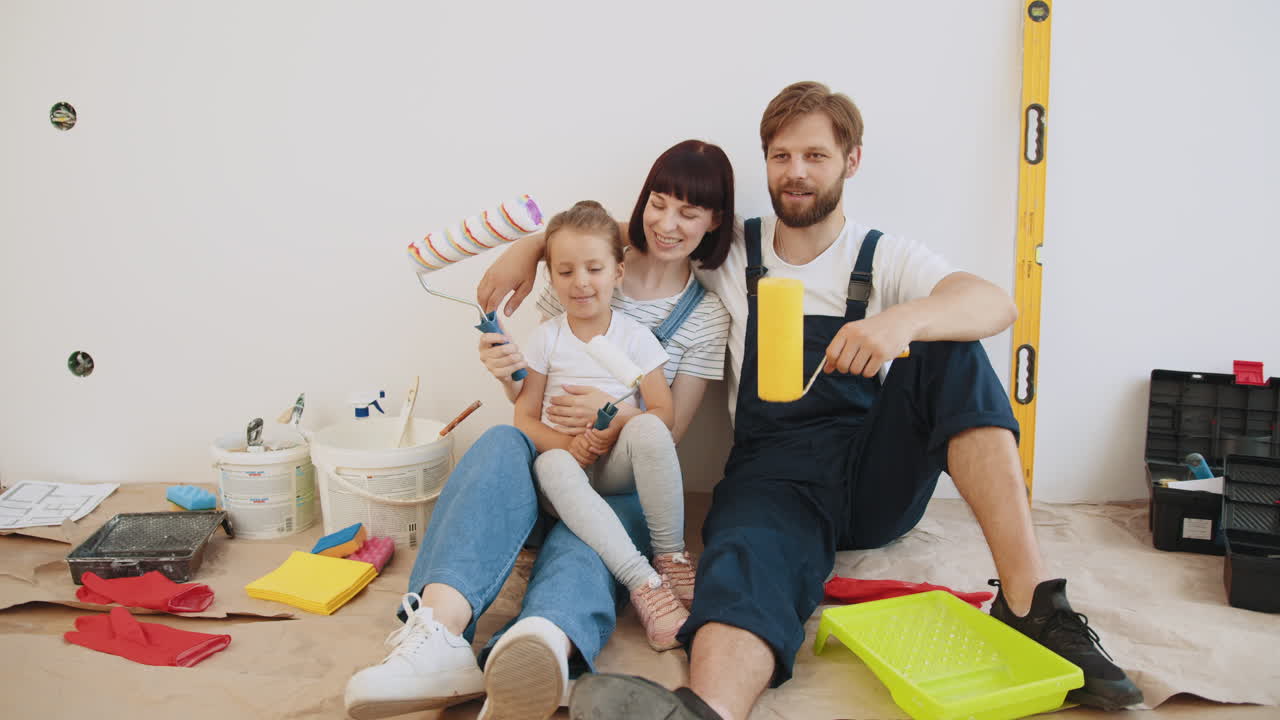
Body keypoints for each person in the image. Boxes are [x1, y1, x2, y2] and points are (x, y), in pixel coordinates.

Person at [479, 82, 1144, 720]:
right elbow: (629, 236)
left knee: (951, 344)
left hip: (871, 474)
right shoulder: (732, 246)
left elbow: (997, 303)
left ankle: (1031, 603)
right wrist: (531, 249)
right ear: (766, 162)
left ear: (851, 161)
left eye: (816, 155)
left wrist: (899, 323)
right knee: (745, 559)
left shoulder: (883, 257)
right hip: (776, 474)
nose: (796, 172)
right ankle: (705, 709)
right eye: (781, 156)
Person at [343, 140, 733, 720]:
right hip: (557, 460)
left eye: (690, 212)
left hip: (625, 477)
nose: (667, 223)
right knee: (504, 441)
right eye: (658, 202)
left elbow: (664, 433)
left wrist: (614, 416)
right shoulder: (582, 267)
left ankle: (543, 646)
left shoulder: (705, 314)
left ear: (714, 221)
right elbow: (533, 402)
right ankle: (440, 628)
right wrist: (511, 367)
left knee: (590, 540)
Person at [517, 200, 693, 652]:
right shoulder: (547, 338)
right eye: (566, 271)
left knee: (649, 431)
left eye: (594, 268)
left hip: (615, 468)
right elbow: (523, 416)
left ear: (617, 271)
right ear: (551, 278)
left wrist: (613, 427)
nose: (580, 283)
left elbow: (663, 414)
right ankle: (644, 584)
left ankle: (670, 558)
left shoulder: (634, 338)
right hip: (567, 478)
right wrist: (567, 446)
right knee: (552, 464)